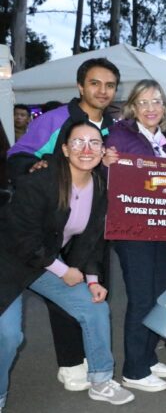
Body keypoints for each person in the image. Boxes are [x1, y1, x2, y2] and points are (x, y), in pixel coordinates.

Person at [0, 121, 135, 409]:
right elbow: (22, 240)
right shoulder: (41, 181)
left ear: (103, 150)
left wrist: (93, 279)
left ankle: (100, 379)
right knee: (9, 335)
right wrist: (64, 270)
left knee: (95, 305)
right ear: (64, 149)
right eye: (78, 142)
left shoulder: (99, 186)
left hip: (42, 263)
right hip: (8, 263)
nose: (86, 149)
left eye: (94, 143)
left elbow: (92, 241)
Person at [6, 57, 121, 392]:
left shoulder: (114, 127)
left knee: (92, 289)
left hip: (91, 220)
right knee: (61, 290)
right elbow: (19, 155)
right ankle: (71, 362)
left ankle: (93, 361)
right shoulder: (57, 119)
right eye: (95, 83)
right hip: (46, 222)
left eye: (109, 85)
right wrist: (37, 170)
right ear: (80, 86)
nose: (102, 90)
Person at [106, 79, 166, 393]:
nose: (150, 108)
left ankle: (146, 355)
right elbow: (107, 175)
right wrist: (107, 163)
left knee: (159, 295)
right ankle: (134, 369)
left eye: (156, 101)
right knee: (141, 297)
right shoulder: (119, 135)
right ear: (133, 106)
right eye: (143, 102)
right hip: (132, 231)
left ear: (164, 107)